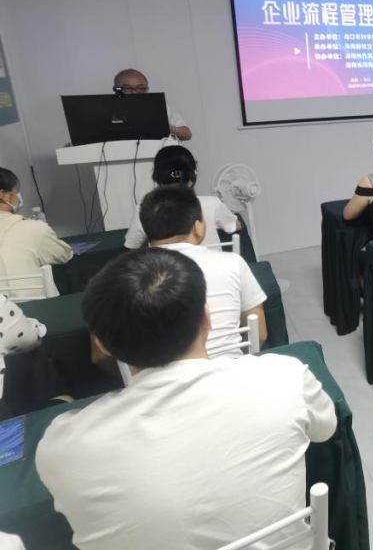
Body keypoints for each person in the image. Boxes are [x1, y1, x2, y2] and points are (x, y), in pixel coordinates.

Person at [36, 248, 337, 550]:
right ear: (207, 318)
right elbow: (326, 429)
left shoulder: (62, 447)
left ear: (103, 345)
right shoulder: (284, 376)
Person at [141, 186, 266, 356]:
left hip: (159, 372)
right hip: (231, 366)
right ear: (198, 228)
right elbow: (259, 333)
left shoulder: (127, 277)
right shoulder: (232, 263)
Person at [124, 146, 239, 250]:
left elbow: (132, 244)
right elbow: (234, 225)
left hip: (166, 266)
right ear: (193, 173)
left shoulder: (145, 208)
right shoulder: (212, 203)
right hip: (213, 265)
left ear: (158, 177)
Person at [0, 167, 72, 299]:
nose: (18, 195)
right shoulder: (32, 228)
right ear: (3, 195)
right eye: (15, 191)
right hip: (32, 308)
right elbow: (63, 254)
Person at [113, 68, 191, 141]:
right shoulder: (109, 110)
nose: (134, 92)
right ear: (116, 89)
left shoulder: (160, 107)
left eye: (140, 88)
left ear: (147, 90)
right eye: (127, 88)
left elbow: (187, 135)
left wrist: (170, 128)